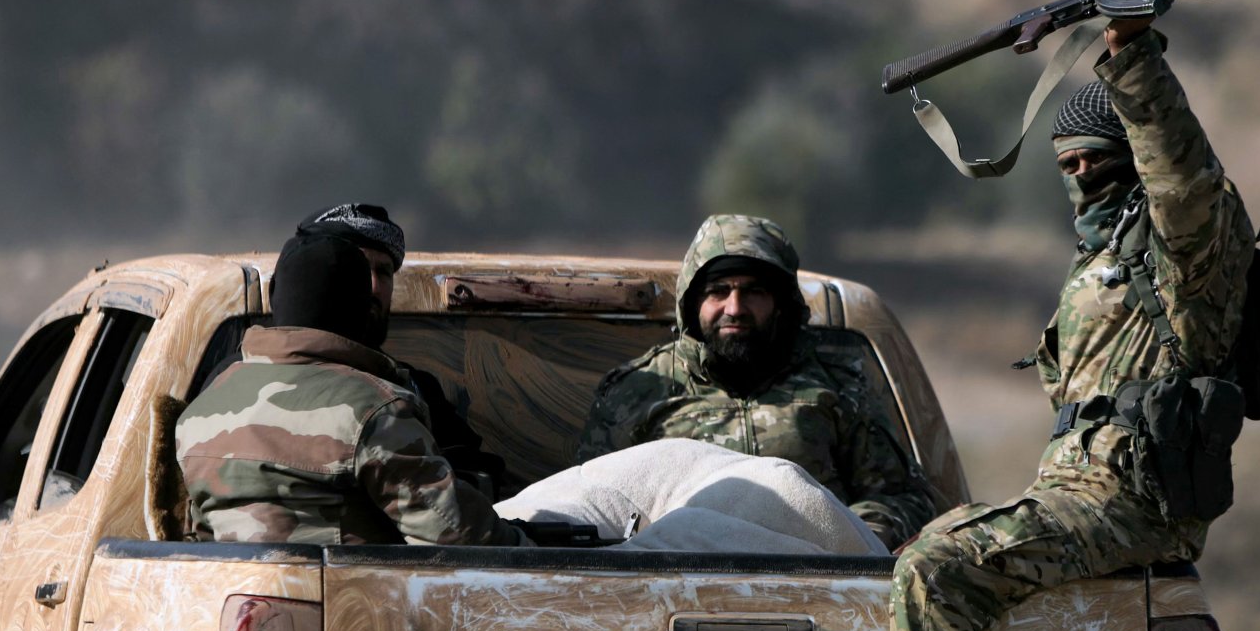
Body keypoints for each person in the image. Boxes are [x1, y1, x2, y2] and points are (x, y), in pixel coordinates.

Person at [823, 0, 1258, 631]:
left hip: (1134, 501)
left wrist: (1131, 50)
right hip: (1078, 493)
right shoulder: (1100, 266)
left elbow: (1180, 169)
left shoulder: (1193, 251)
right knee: (922, 546)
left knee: (937, 569)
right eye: (1067, 169)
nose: (1081, 179)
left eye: (1097, 161)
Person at [577, 213, 939, 550]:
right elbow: (590, 507)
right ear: (692, 303)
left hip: (815, 590)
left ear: (781, 303)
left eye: (753, 292)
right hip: (673, 587)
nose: (734, 308)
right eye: (718, 291)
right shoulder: (639, 390)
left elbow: (903, 498)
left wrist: (846, 543)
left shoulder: (839, 385)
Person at [176, 233, 529, 547]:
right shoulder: (375, 409)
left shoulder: (200, 412)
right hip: (354, 612)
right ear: (363, 306)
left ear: (275, 297)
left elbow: (199, 538)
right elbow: (458, 537)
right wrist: (534, 549)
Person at [291, 202, 508, 494]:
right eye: (357, 270)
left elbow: (473, 481)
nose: (373, 287)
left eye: (384, 272)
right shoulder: (258, 378)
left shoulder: (414, 389)